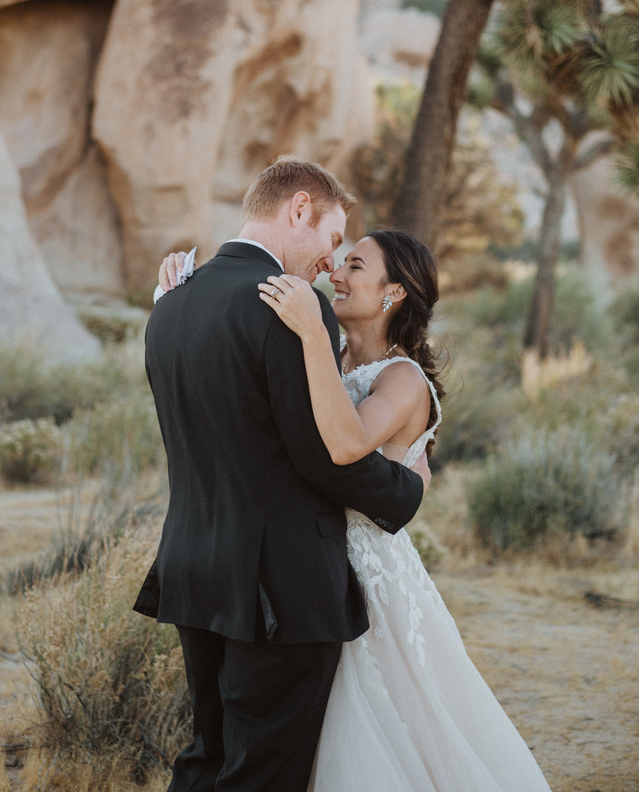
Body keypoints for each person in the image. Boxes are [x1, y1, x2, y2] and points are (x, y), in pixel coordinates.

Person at [133, 158, 425, 792]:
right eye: (330, 239)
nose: (329, 260)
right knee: (262, 774)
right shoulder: (291, 307)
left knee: (207, 760)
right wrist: (405, 491)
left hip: (193, 564)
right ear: (298, 209)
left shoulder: (171, 301)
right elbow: (320, 454)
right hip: (279, 586)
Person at [253, 226, 554, 792]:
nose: (336, 274)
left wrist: (314, 341)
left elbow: (346, 445)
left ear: (393, 294)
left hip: (371, 579)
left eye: (356, 267)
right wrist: (181, 282)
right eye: (339, 263)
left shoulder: (403, 379)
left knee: (382, 721)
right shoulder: (331, 355)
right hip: (309, 562)